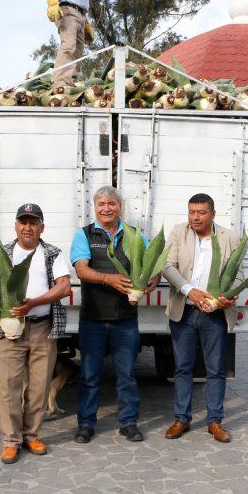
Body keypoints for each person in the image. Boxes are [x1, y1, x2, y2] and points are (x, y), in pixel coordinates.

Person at [0, 203, 71, 464]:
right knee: (8, 387)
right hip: (10, 331)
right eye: (23, 222)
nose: (28, 227)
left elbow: (64, 287)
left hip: (42, 327)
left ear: (42, 227)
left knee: (39, 387)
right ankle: (11, 441)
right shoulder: (3, 253)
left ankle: (32, 435)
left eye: (33, 222)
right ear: (16, 226)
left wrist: (34, 302)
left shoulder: (52, 253)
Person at [70, 186, 154, 443]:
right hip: (93, 318)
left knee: (127, 374)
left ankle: (128, 422)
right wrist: (108, 278)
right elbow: (82, 270)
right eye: (101, 204)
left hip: (125, 320)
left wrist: (150, 280)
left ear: (120, 207)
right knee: (89, 375)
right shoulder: (84, 235)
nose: (106, 208)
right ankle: (86, 424)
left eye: (112, 204)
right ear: (94, 208)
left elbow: (152, 265)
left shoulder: (135, 236)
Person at [161, 194, 238, 443]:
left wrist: (227, 296)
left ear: (213, 214)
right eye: (192, 211)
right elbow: (167, 265)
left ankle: (214, 421)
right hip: (184, 311)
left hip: (214, 314)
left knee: (215, 370)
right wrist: (188, 289)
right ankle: (181, 418)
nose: (195, 216)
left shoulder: (228, 237)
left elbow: (238, 273)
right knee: (182, 368)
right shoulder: (178, 232)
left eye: (201, 212)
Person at [46, 0, 93, 87]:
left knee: (78, 54)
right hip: (68, 10)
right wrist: (52, 4)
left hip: (81, 15)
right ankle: (59, 84)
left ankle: (71, 84)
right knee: (68, 46)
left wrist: (85, 21)